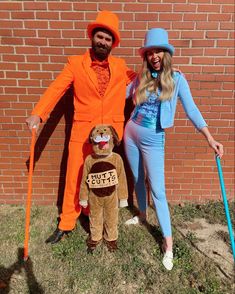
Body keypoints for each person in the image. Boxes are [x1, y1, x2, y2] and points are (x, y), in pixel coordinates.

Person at [26, 10, 136, 244]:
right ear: (92, 37)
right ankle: (66, 222)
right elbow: (56, 89)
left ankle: (92, 214)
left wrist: (166, 73)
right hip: (82, 133)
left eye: (108, 39)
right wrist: (38, 114)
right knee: (75, 177)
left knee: (103, 176)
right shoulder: (75, 64)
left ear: (113, 43)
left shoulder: (121, 66)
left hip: (109, 136)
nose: (103, 42)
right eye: (100, 37)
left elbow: (142, 81)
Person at [123, 28, 224, 270]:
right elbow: (123, 92)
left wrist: (210, 138)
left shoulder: (177, 79)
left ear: (166, 53)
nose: (154, 55)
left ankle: (168, 245)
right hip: (131, 134)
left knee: (158, 190)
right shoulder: (141, 78)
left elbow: (192, 110)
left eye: (158, 51)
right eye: (150, 52)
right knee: (137, 179)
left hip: (154, 140)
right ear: (145, 56)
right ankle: (143, 215)